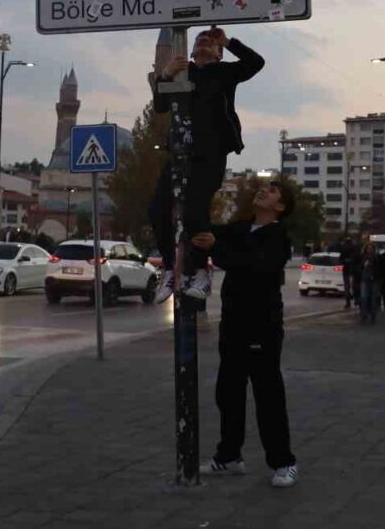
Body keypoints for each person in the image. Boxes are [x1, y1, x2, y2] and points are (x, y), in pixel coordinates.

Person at [191, 180, 298, 488]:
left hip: (261, 327)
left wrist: (216, 248)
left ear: (279, 207)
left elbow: (251, 265)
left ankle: (284, 462)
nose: (264, 191)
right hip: (233, 324)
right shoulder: (242, 227)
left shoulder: (278, 238)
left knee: (268, 396)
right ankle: (229, 456)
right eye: (264, 188)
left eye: (273, 191)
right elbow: (214, 232)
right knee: (228, 392)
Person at [148, 28, 264, 304]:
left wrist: (228, 41)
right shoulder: (182, 73)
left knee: (195, 213)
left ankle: (199, 271)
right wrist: (165, 75)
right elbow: (161, 106)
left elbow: (255, 63)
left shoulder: (224, 73)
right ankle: (168, 269)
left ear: (218, 52)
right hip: (178, 153)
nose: (203, 43)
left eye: (210, 42)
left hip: (210, 154)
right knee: (157, 210)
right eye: (200, 40)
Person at [357, 242, 381, 324]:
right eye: (368, 248)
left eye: (371, 248)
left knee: (373, 298)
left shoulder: (376, 257)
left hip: (374, 280)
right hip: (364, 279)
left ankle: (373, 313)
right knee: (364, 297)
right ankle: (364, 313)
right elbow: (359, 267)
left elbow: (379, 269)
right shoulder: (363, 257)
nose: (369, 250)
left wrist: (375, 276)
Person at [339, 236, 358, 309]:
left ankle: (348, 302)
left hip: (346, 270)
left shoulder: (343, 248)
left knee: (347, 287)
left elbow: (340, 259)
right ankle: (355, 300)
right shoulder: (354, 248)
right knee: (354, 286)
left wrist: (344, 261)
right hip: (353, 270)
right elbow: (356, 258)